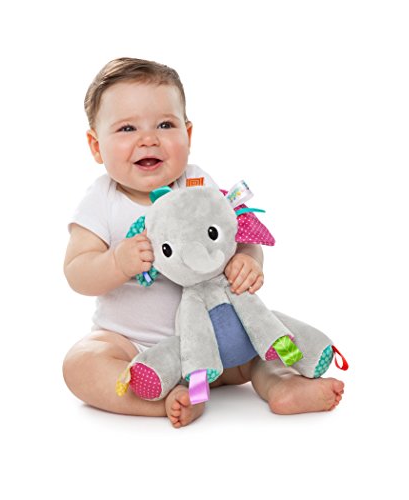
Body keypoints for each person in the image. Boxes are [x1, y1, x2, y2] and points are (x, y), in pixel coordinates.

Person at [62, 57, 344, 428]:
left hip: (214, 341)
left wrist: (248, 259)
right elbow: (77, 271)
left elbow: (236, 235)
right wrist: (116, 263)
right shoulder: (102, 200)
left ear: (188, 135)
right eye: (127, 128)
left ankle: (281, 385)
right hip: (131, 344)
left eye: (165, 124)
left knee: (258, 348)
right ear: (96, 146)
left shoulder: (198, 187)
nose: (149, 139)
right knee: (81, 363)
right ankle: (163, 400)